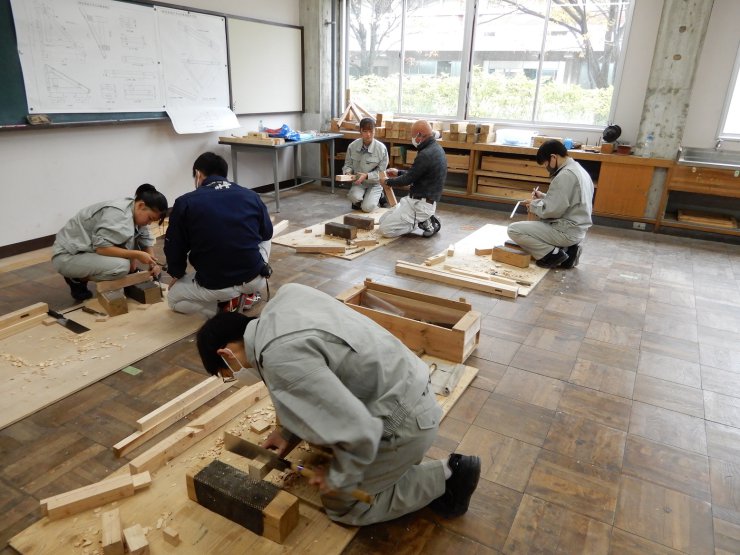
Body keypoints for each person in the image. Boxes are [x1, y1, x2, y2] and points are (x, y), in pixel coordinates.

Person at [196, 283, 481, 526]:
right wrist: (286, 433)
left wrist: (339, 475)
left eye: (228, 372)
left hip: (404, 422)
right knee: (325, 442)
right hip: (411, 387)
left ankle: (448, 474)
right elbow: (309, 373)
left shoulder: (277, 356)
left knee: (342, 504)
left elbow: (360, 431)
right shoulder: (287, 297)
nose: (237, 375)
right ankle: (393, 466)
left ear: (226, 353)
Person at [164, 152, 273, 318]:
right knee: (266, 236)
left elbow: (175, 246)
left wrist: (176, 273)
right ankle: (245, 296)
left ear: (198, 174)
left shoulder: (185, 202)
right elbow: (267, 233)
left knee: (173, 299)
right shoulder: (250, 195)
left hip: (214, 284)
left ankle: (221, 312)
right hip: (254, 278)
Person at [52, 184, 168, 301]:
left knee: (130, 264)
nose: (149, 223)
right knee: (121, 267)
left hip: (87, 250)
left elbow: (145, 240)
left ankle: (122, 275)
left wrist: (153, 264)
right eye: (150, 218)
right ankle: (76, 279)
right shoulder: (118, 215)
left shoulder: (135, 210)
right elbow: (102, 249)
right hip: (68, 256)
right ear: (141, 205)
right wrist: (137, 255)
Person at [508, 139, 594, 269]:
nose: (546, 168)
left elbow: (551, 211)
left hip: (566, 231)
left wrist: (533, 206)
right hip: (578, 230)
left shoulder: (564, 175)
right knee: (539, 225)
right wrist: (543, 196)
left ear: (553, 157)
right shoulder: (579, 169)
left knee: (514, 229)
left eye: (546, 164)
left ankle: (552, 254)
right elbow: (568, 200)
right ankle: (569, 251)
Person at [378, 120, 446, 238]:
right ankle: (422, 220)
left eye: (413, 136)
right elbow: (417, 174)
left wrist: (387, 182)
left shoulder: (426, 154)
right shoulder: (435, 148)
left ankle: (424, 221)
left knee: (385, 230)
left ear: (420, 135)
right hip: (415, 200)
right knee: (382, 220)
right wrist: (398, 172)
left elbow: (407, 180)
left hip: (420, 205)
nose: (412, 139)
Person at [342, 117, 389, 212]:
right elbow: (348, 164)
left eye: (371, 131)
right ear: (360, 131)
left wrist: (367, 176)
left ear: (375, 131)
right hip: (359, 183)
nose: (368, 134)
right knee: (353, 197)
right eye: (365, 131)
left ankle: (380, 195)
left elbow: (381, 173)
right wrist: (347, 173)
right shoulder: (352, 146)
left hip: (375, 183)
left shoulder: (382, 149)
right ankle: (362, 198)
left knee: (367, 208)